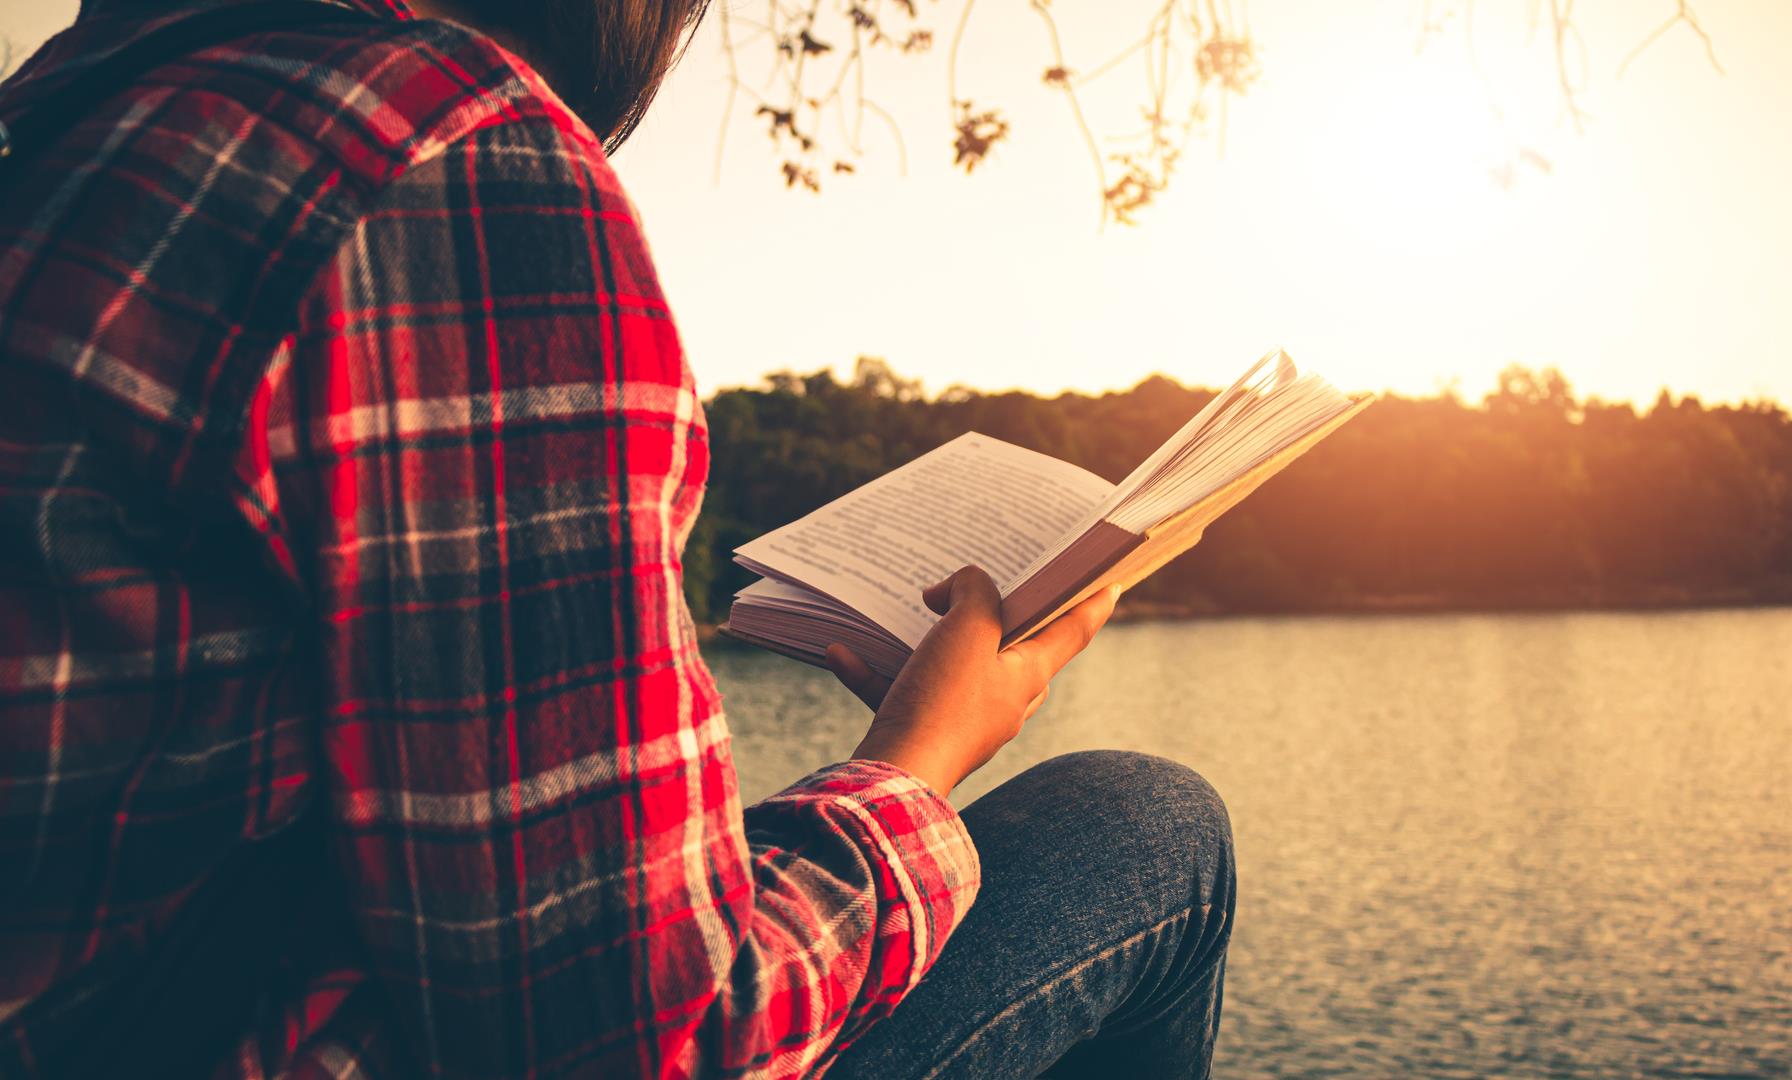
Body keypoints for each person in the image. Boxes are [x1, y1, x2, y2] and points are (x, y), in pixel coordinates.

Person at [0, 1, 1235, 1076]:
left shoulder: (63, 128)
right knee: (1147, 824)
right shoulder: (448, 157)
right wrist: (921, 757)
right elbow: (649, 1044)